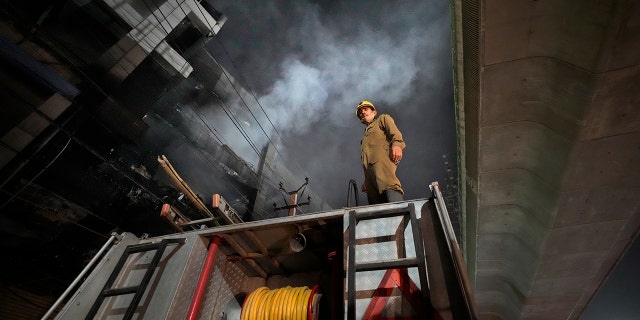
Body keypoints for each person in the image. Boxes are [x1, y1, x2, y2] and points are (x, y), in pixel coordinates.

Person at [356, 100, 405, 204]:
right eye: (360, 112)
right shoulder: (364, 138)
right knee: (374, 201)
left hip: (382, 165)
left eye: (365, 109)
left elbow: (395, 134)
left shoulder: (382, 119)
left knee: (389, 185)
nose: (363, 112)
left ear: (374, 112)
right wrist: (367, 179)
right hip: (370, 175)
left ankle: (398, 211)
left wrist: (397, 145)